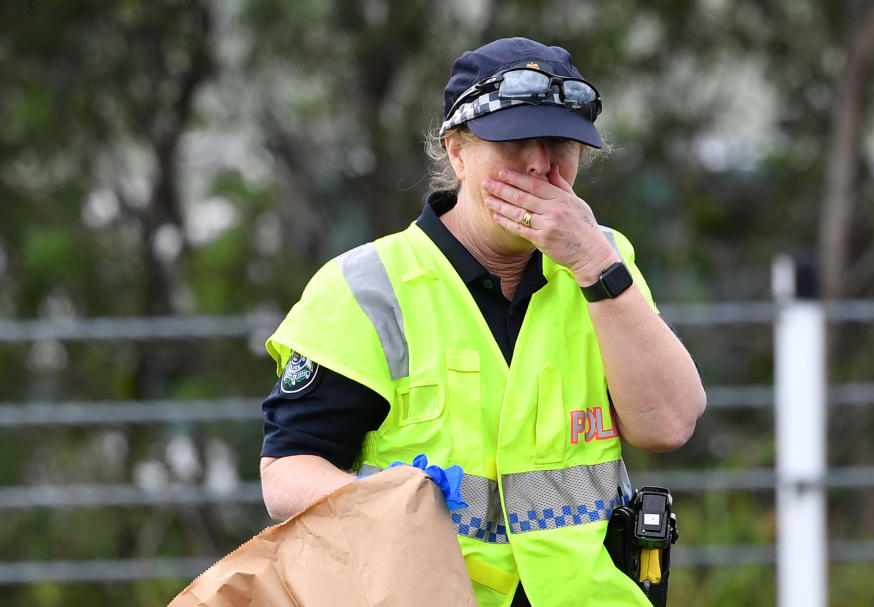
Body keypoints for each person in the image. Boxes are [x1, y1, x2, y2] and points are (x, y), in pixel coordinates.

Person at [259, 37, 706, 607]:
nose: (540, 164)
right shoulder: (368, 285)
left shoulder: (603, 262)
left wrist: (595, 265)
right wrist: (390, 508)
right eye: (515, 141)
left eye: (560, 143)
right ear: (457, 151)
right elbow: (287, 473)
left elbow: (668, 425)